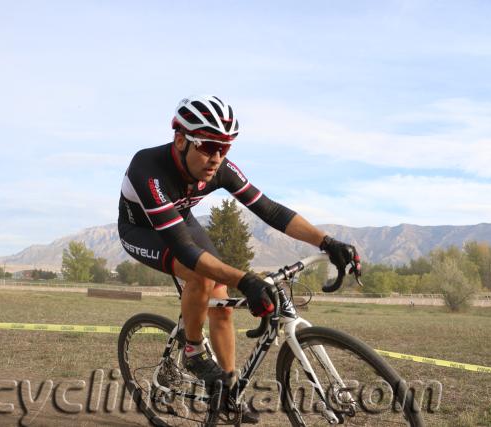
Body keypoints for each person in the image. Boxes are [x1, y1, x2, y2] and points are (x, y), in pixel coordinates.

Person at [118, 95, 361, 422]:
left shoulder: (219, 167)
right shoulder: (149, 168)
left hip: (180, 219)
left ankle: (228, 393)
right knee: (200, 273)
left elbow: (270, 210)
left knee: (220, 302)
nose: (216, 157)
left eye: (225, 148)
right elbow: (186, 250)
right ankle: (192, 350)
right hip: (141, 229)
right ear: (180, 139)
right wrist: (246, 279)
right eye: (207, 146)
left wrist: (326, 241)